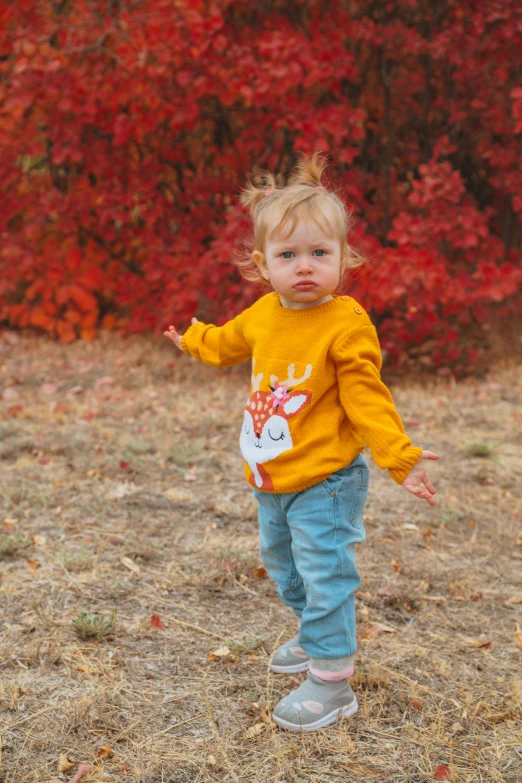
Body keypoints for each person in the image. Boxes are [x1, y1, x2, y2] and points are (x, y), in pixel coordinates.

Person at [164, 152, 438, 732]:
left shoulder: (346, 323)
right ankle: (315, 634)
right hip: (272, 475)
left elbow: (368, 399)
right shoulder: (265, 312)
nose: (306, 267)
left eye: (321, 253)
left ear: (344, 259)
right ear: (264, 265)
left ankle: (332, 680)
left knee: (324, 572)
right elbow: (228, 341)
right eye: (290, 256)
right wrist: (193, 340)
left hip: (327, 481)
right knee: (280, 563)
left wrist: (400, 459)